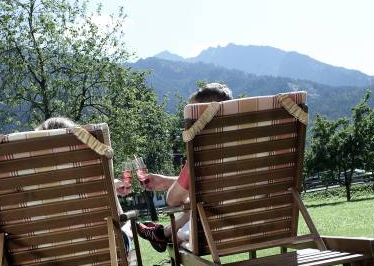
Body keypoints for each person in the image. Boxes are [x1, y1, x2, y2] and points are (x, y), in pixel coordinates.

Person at [137, 83, 233, 252]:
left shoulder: (202, 150)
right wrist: (169, 181)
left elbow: (173, 200)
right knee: (202, 204)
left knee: (188, 224)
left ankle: (162, 233)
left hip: (214, 231)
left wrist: (175, 188)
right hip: (261, 223)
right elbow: (212, 184)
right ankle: (161, 233)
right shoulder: (253, 142)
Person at [36, 116, 133, 249]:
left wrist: (111, 186)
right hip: (105, 251)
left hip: (47, 256)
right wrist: (109, 185)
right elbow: (119, 220)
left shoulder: (33, 187)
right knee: (128, 225)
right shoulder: (92, 169)